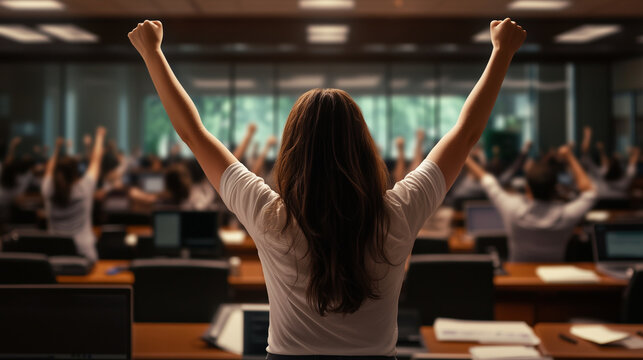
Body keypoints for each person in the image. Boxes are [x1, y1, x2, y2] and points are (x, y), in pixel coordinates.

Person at [128, 17, 525, 357]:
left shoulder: (269, 215)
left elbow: (194, 135)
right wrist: (501, 51)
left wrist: (152, 53)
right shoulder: (398, 212)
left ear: (292, 151)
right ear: (363, 147)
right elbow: (467, 133)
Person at [464, 144, 596, 262]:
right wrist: (570, 156)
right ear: (555, 188)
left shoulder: (512, 209)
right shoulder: (567, 215)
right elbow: (590, 192)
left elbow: (487, 180)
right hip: (554, 286)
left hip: (518, 283)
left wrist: (465, 156)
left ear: (527, 189)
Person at [41, 127, 106, 262]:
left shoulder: (48, 189)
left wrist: (57, 148)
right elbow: (96, 160)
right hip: (85, 256)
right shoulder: (84, 188)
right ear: (76, 173)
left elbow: (49, 168)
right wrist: (99, 137)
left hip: (54, 256)